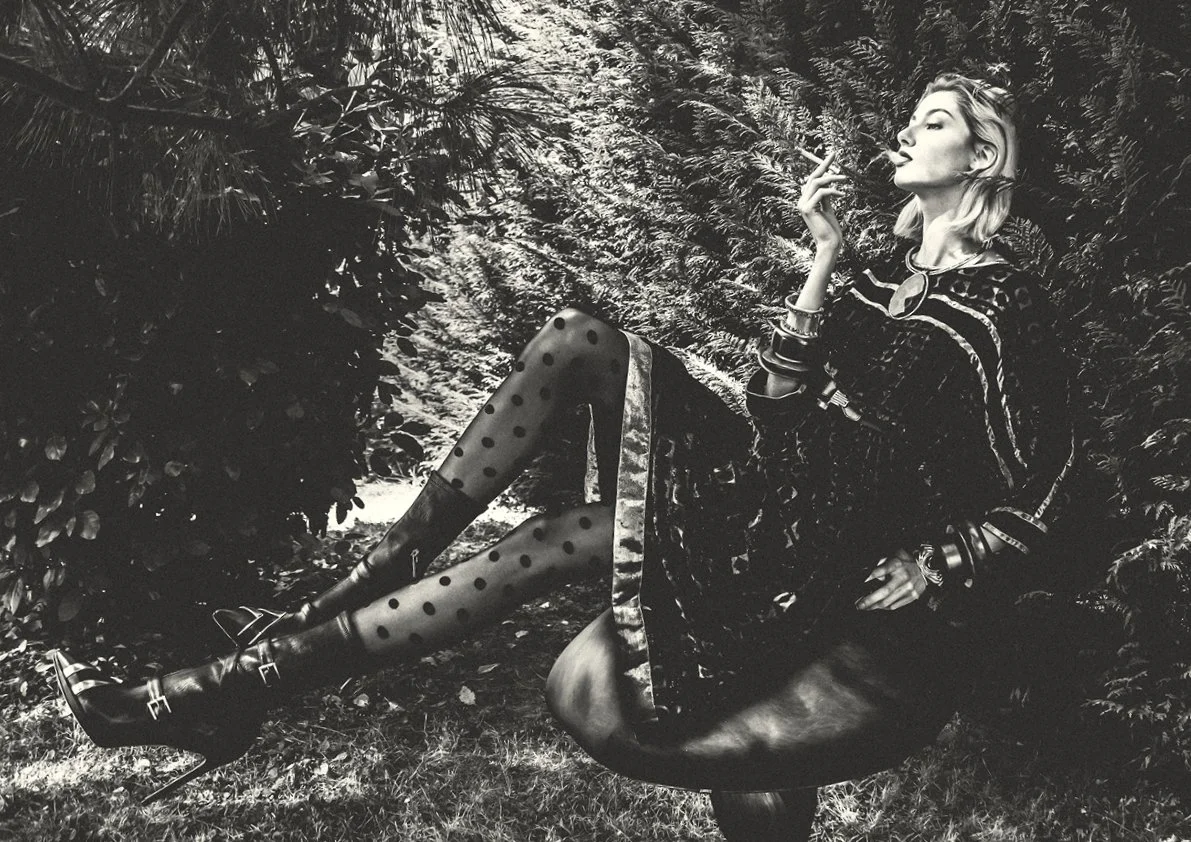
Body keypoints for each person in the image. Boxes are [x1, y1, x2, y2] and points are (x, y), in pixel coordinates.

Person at [54, 73, 1076, 840]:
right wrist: (820, 258)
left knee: (566, 496)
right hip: (768, 485)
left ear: (983, 157)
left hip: (816, 544)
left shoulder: (1002, 306)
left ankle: (242, 675)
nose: (904, 131)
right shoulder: (874, 282)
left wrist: (938, 560)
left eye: (931, 122)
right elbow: (777, 401)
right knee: (572, 355)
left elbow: (1052, 484)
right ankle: (272, 655)